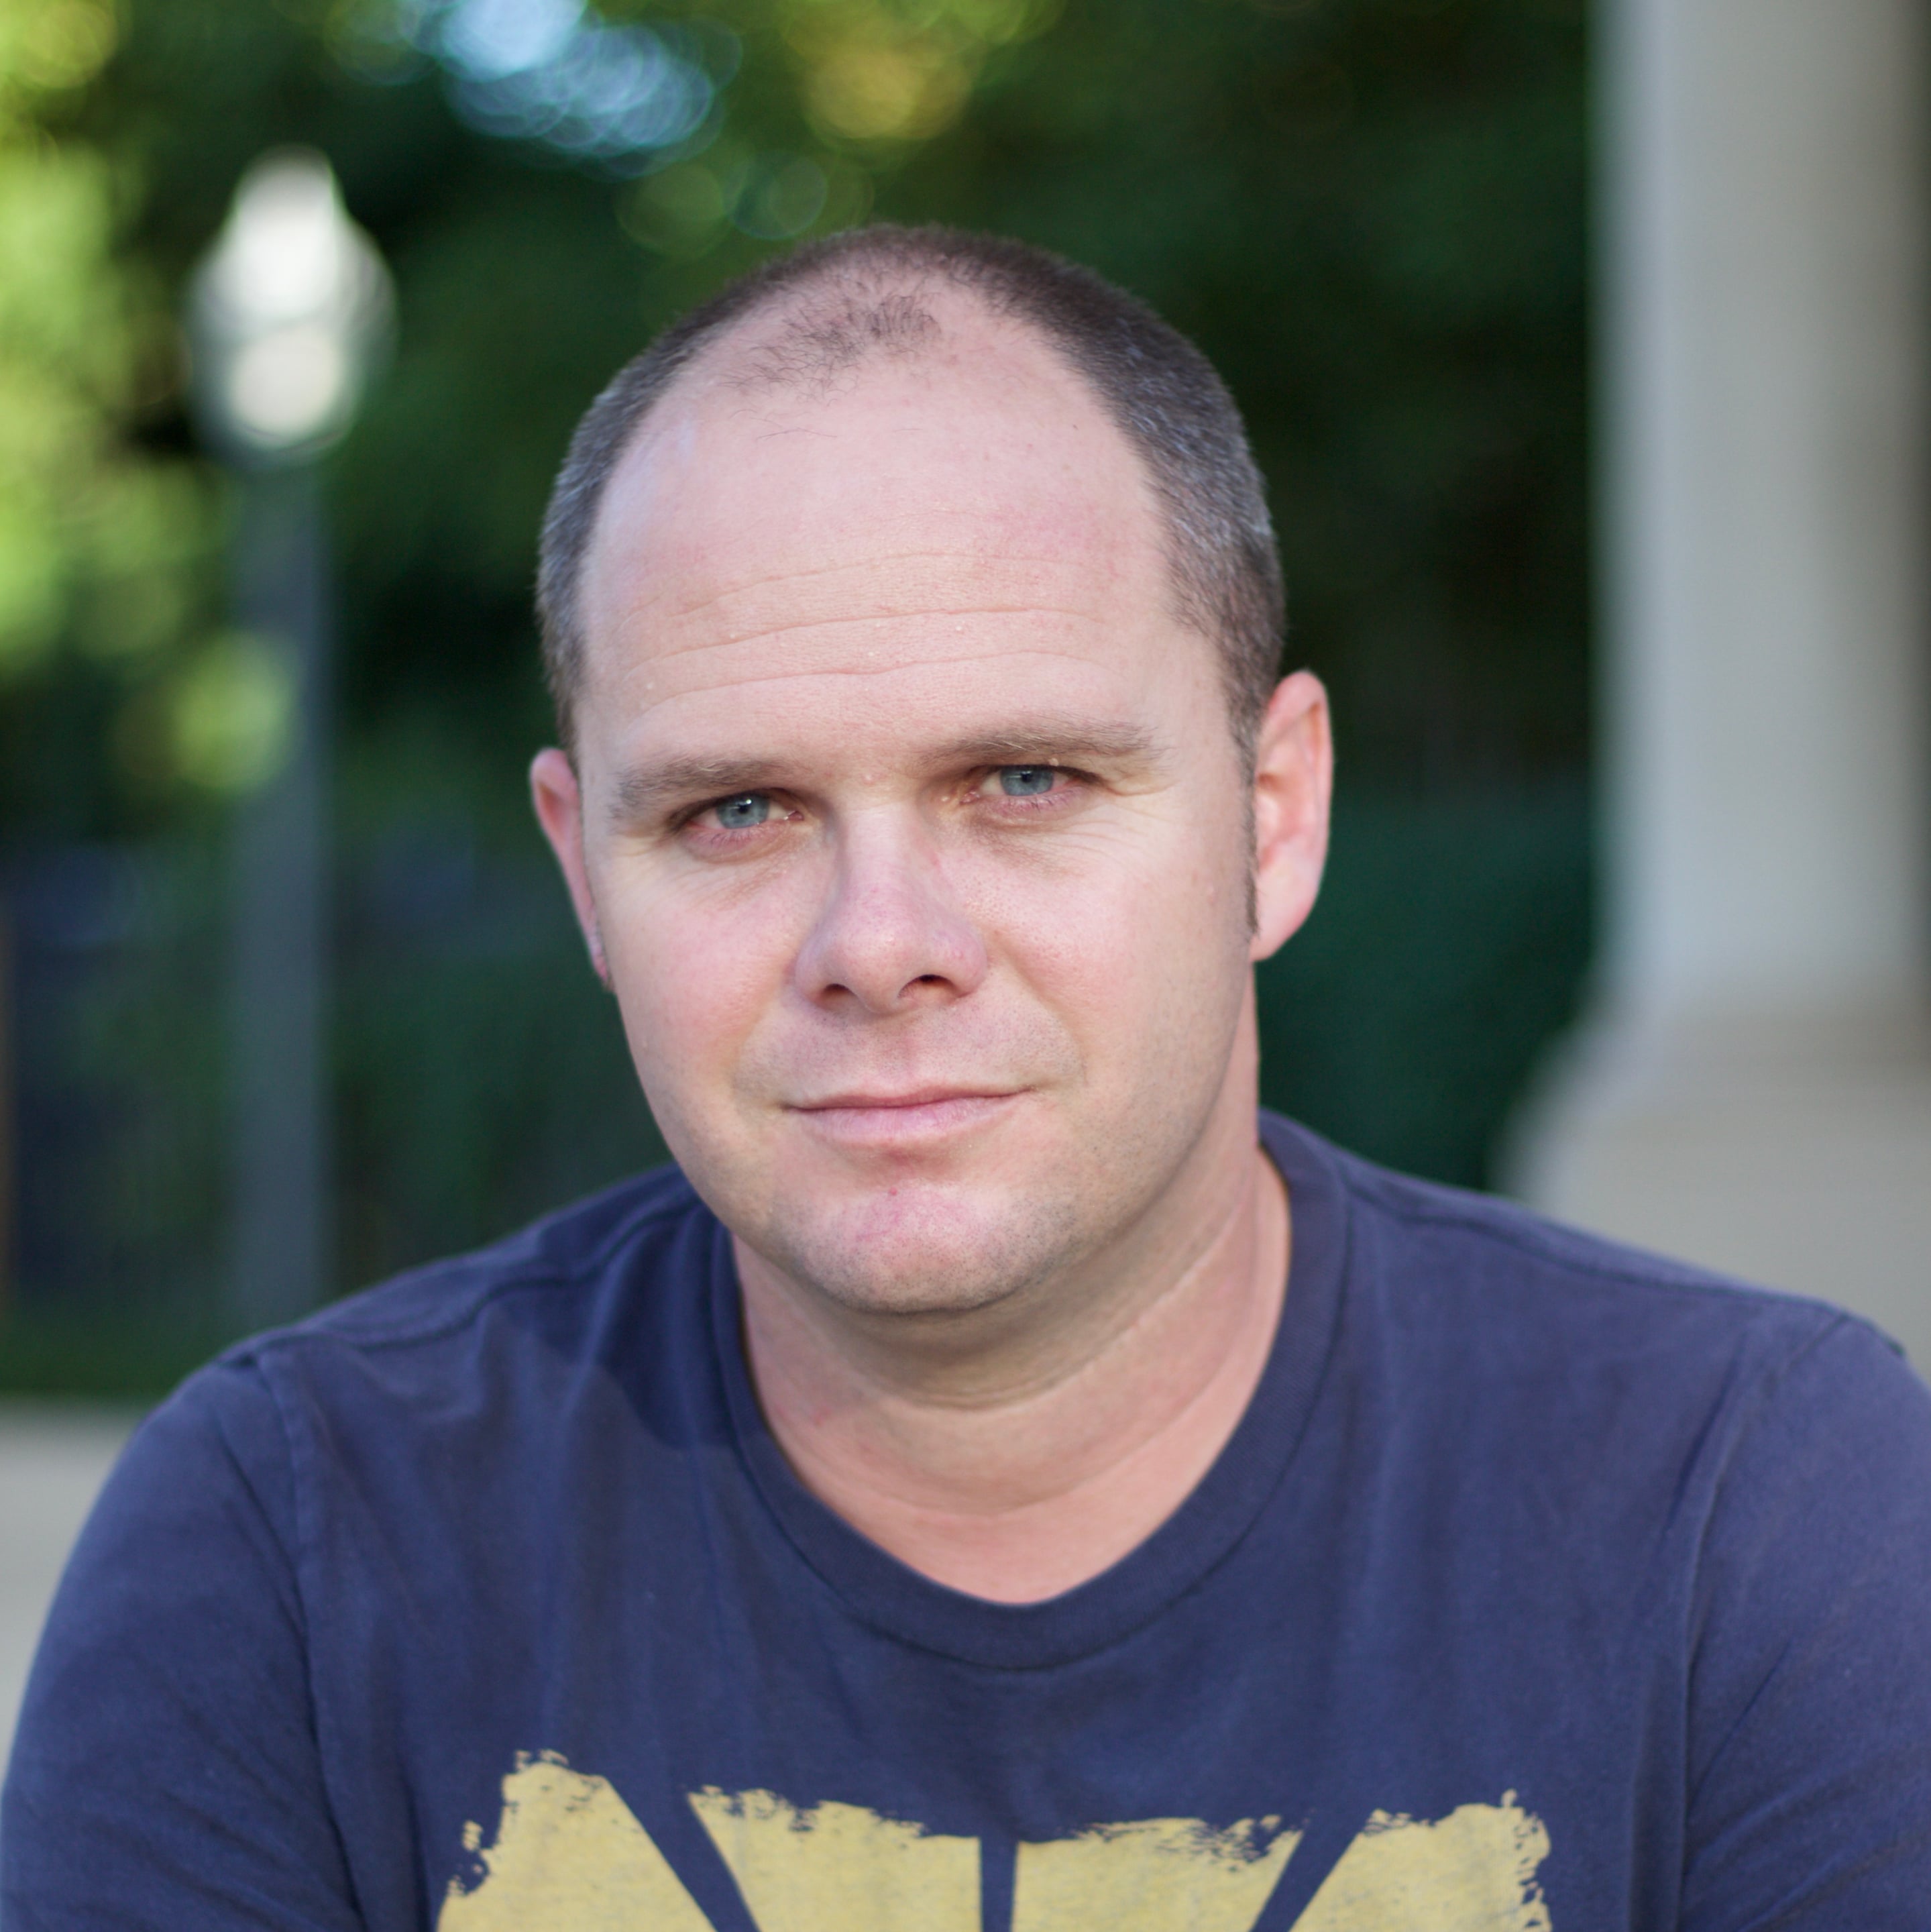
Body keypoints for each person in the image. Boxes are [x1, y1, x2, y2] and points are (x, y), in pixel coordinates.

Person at [5, 225, 1930, 1932]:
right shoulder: (290, 1555)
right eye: (738, 811)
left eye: (1024, 781)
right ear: (584, 871)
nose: (880, 940)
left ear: (1272, 818)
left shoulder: (1748, 1518)